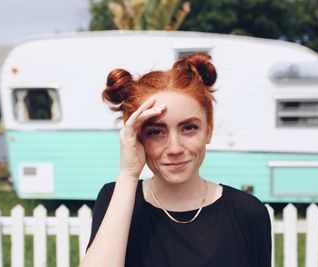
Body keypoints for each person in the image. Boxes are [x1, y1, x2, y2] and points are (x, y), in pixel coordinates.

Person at [80, 54, 271, 267]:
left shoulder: (247, 212)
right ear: (136, 136)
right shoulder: (116, 198)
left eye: (188, 128)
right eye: (156, 132)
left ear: (208, 130)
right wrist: (128, 174)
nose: (174, 148)